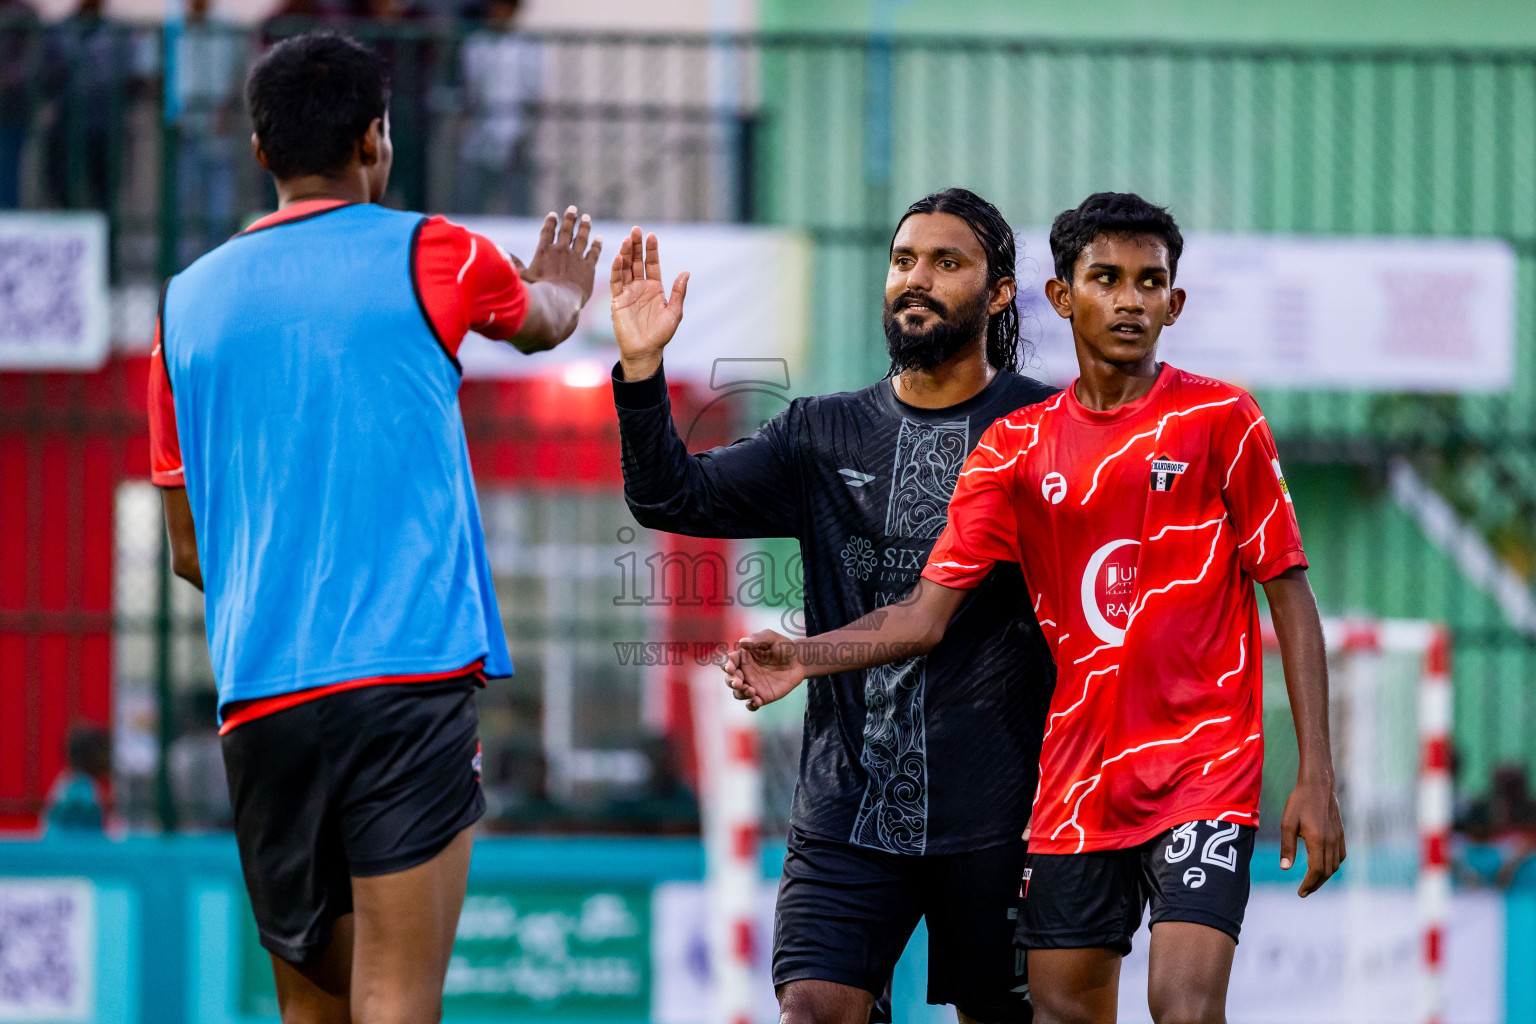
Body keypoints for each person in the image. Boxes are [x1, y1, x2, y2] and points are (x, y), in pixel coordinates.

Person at [728, 192, 1346, 1024]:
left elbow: (1289, 591)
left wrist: (1316, 775)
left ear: (1175, 302)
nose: (1130, 299)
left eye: (1150, 281)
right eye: (1106, 278)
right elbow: (922, 615)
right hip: (1075, 782)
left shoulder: (1219, 419)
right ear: (1062, 297)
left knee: (1184, 1008)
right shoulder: (1015, 447)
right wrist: (806, 655)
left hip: (1205, 769)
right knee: (1058, 1014)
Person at [146, 33, 601, 1024]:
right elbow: (542, 318)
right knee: (399, 1001)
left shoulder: (183, 306)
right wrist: (563, 282)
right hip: (405, 683)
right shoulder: (433, 248)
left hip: (262, 700)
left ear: (259, 151)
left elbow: (190, 551)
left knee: (313, 1012)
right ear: (376, 139)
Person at [610, 187, 1058, 1024]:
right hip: (847, 809)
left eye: (946, 263)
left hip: (1006, 813)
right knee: (814, 1011)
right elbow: (671, 497)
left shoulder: (1042, 428)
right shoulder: (820, 433)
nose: (916, 279)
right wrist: (641, 372)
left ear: (998, 292)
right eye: (903, 261)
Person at [44, 723, 111, 834]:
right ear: (91, 757)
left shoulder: (68, 781)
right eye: (102, 751)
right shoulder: (81, 793)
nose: (106, 758)